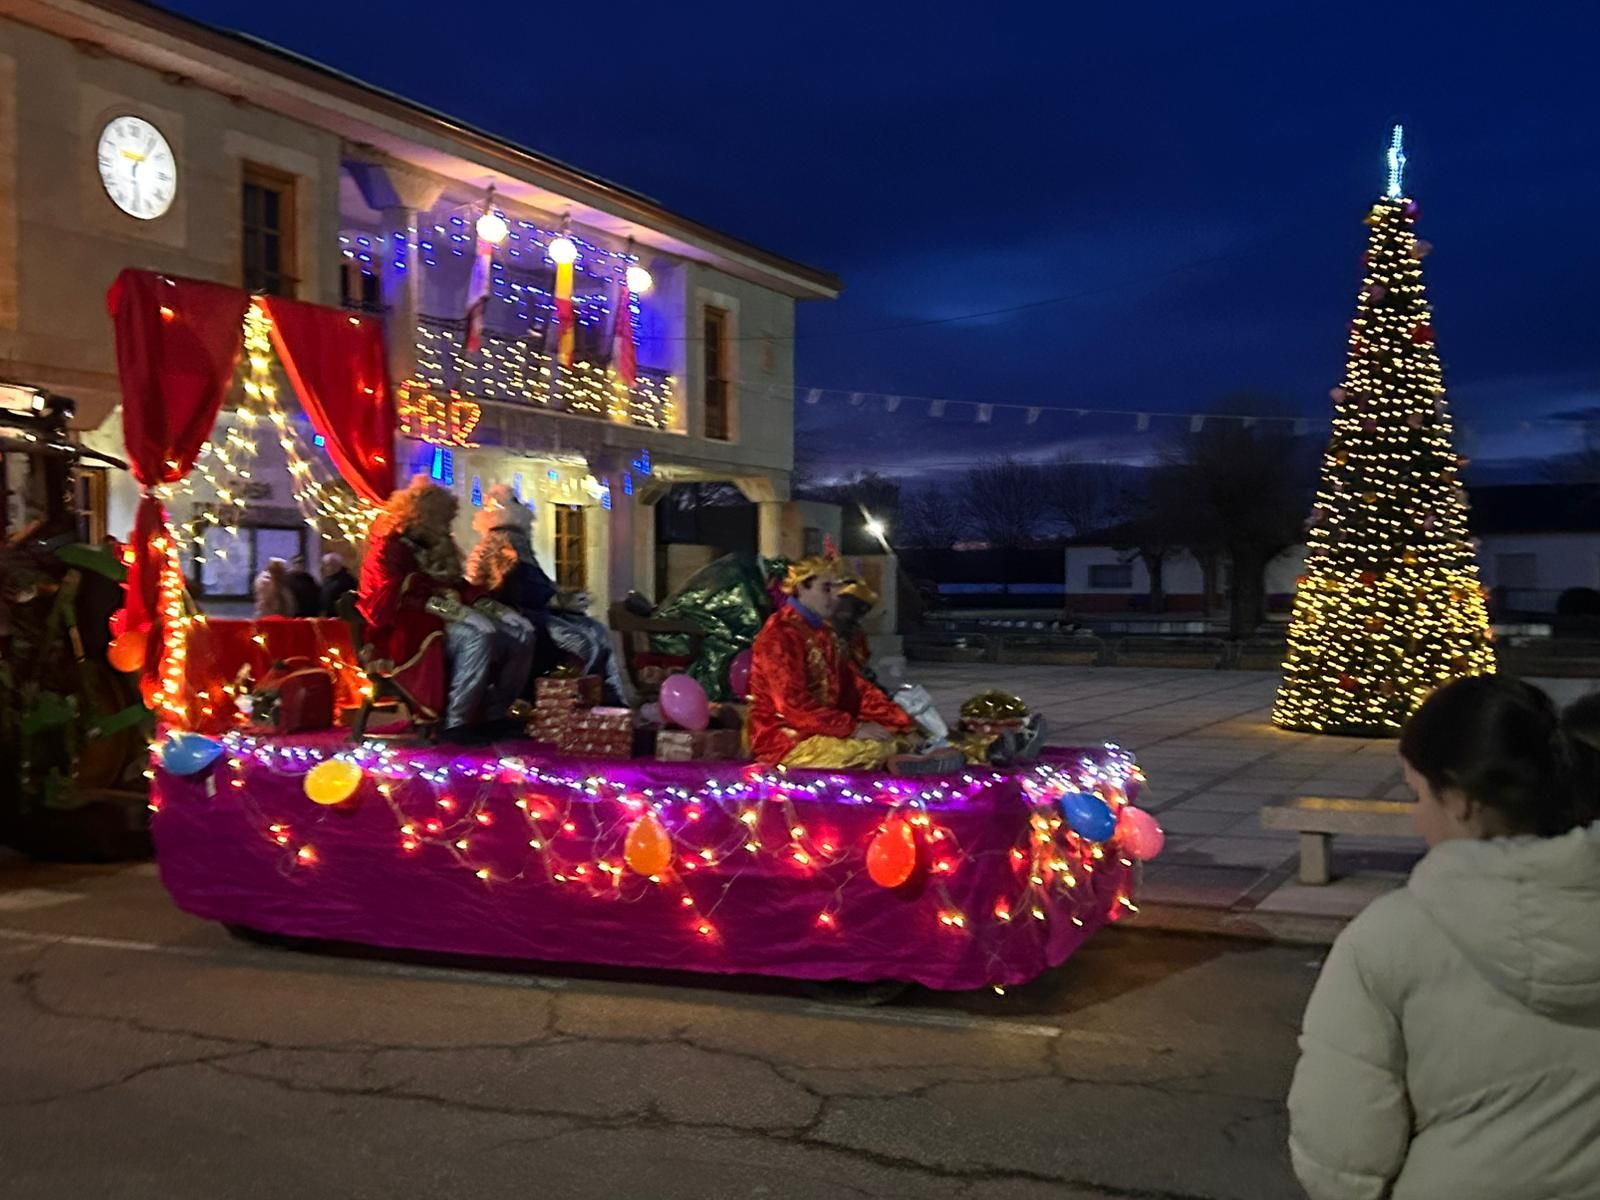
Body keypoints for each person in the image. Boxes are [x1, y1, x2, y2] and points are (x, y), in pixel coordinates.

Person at [1288, 675, 1600, 1200]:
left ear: (1460, 800)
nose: (1416, 814)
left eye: (1416, 793)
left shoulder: (1387, 938)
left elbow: (1343, 1152)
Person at [358, 476, 538, 738]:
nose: (446, 526)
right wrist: (462, 614)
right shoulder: (390, 550)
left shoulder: (439, 545)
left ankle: (496, 712)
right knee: (477, 637)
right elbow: (401, 597)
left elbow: (459, 587)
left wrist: (500, 612)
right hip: (409, 628)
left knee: (522, 635)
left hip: (441, 619)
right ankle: (457, 722)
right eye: (442, 519)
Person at [747, 554, 937, 770]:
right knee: (874, 750)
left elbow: (857, 688)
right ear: (801, 588)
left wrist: (901, 724)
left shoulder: (824, 633)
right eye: (826, 588)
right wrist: (853, 728)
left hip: (824, 729)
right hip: (783, 737)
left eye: (836, 589)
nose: (835, 597)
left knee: (898, 741)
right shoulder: (780, 634)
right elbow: (793, 705)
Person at [464, 484, 630, 706]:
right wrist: (557, 600)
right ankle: (577, 699)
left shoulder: (518, 541)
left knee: (597, 631)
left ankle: (608, 698)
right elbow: (515, 586)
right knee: (584, 643)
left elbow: (536, 580)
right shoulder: (499, 544)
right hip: (519, 614)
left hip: (538, 610)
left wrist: (560, 596)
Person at [319, 552, 358, 617]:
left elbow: (351, 600)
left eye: (327, 565)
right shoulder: (327, 579)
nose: (325, 568)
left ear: (336, 564)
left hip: (341, 616)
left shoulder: (347, 580)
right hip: (328, 616)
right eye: (325, 565)